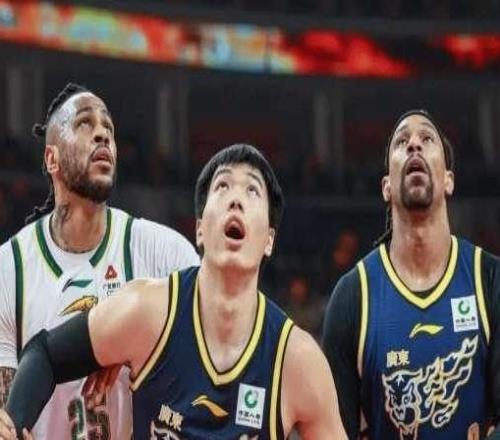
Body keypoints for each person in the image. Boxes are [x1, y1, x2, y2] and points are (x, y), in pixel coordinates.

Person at [4, 143, 347, 439]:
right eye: (223, 186)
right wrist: (13, 425)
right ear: (199, 229)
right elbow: (44, 354)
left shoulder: (296, 360)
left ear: (269, 239)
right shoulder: (147, 312)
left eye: (252, 191)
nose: (236, 201)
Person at [0, 83, 199, 439]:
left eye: (108, 127)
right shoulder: (9, 269)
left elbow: (210, 369)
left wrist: (138, 345)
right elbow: (8, 413)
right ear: (51, 159)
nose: (102, 134)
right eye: (84, 124)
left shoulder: (165, 255)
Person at [322, 109, 500, 439]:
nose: (414, 145)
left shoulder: (490, 280)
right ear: (386, 187)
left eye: (427, 138)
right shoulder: (352, 297)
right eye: (402, 141)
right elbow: (334, 433)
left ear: (449, 180)